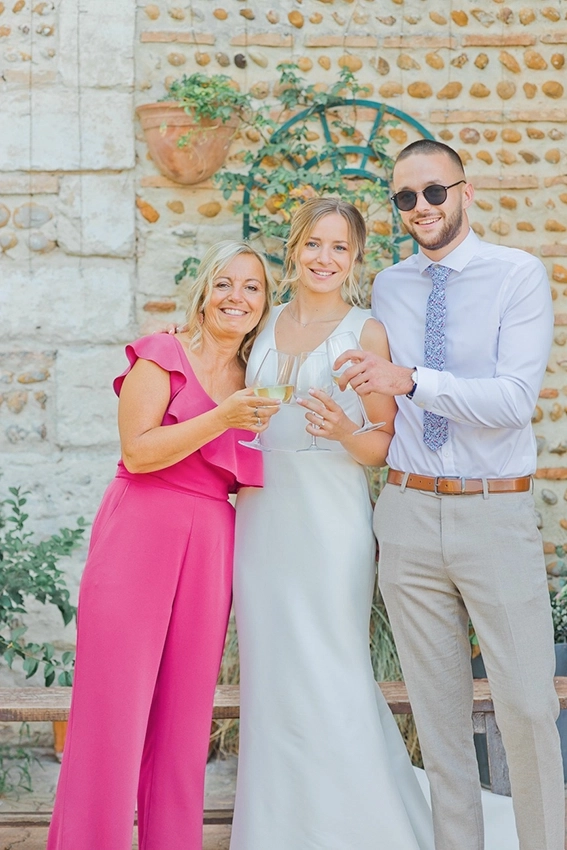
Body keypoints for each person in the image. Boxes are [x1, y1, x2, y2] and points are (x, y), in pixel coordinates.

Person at [336, 140, 563, 850]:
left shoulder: (516, 276)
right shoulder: (390, 288)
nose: (420, 209)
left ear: (465, 192)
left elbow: (511, 401)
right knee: (437, 718)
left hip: (492, 511)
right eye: (404, 198)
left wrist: (409, 379)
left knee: (525, 707)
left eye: (433, 192)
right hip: (404, 511)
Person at [46, 241, 281, 850]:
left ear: (265, 303)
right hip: (139, 533)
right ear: (204, 292)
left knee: (184, 723)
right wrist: (222, 418)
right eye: (225, 283)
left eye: (252, 287)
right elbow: (138, 451)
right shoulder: (162, 354)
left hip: (210, 543)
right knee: (112, 715)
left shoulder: (257, 379)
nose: (237, 296)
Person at [229, 197, 436, 850]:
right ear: (293, 249)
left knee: (333, 667)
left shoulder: (364, 332)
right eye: (314, 244)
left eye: (339, 248)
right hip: (261, 521)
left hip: (332, 521)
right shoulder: (259, 325)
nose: (325, 258)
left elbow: (381, 447)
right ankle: (277, 830)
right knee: (272, 674)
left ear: (354, 258)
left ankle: (360, 827)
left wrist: (345, 429)